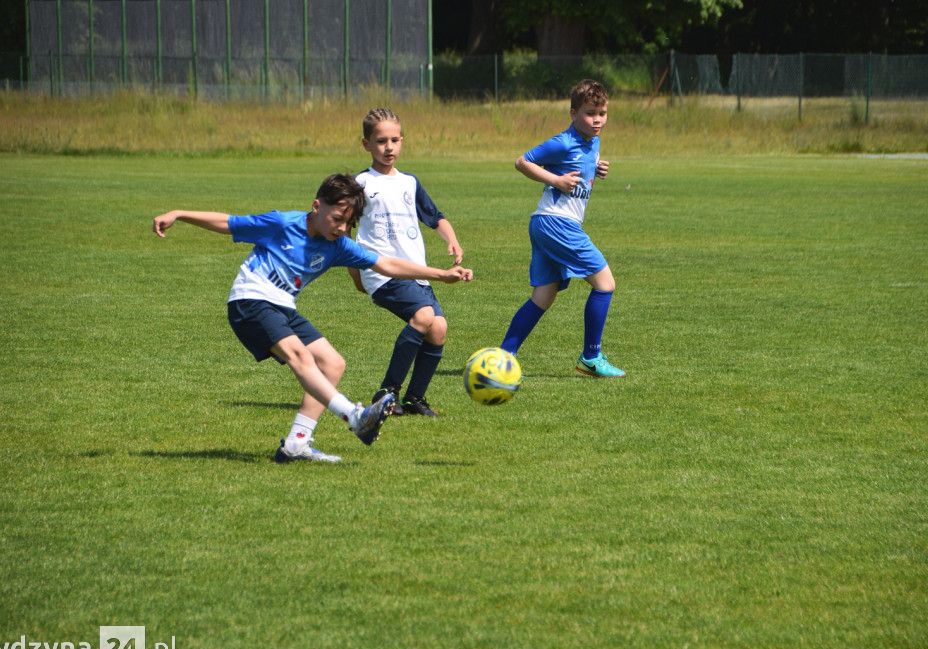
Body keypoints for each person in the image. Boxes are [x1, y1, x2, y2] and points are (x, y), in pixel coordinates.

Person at [152, 173, 473, 464]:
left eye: (348, 223)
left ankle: (297, 443)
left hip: (282, 307)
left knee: (333, 363)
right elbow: (228, 223)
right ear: (317, 206)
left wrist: (440, 274)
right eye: (337, 219)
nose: (341, 228)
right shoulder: (282, 223)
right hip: (250, 300)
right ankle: (354, 416)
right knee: (301, 357)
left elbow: (386, 265)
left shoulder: (339, 245)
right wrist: (179, 214)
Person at [500, 79, 625, 378]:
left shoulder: (593, 141)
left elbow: (581, 165)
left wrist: (596, 168)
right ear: (573, 113)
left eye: (602, 113)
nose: (597, 120)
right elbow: (522, 162)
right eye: (589, 113)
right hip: (557, 223)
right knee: (605, 284)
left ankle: (502, 357)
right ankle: (591, 357)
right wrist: (555, 180)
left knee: (543, 296)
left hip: (546, 223)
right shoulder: (564, 141)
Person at [348, 108, 465, 417]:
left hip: (416, 272)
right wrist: (355, 272)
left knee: (438, 328)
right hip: (382, 272)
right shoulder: (360, 183)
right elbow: (342, 230)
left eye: (395, 140)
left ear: (402, 140)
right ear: (366, 144)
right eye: (381, 141)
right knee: (424, 316)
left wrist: (451, 239)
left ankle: (415, 398)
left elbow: (435, 217)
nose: (389, 147)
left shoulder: (410, 183)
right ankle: (386, 393)